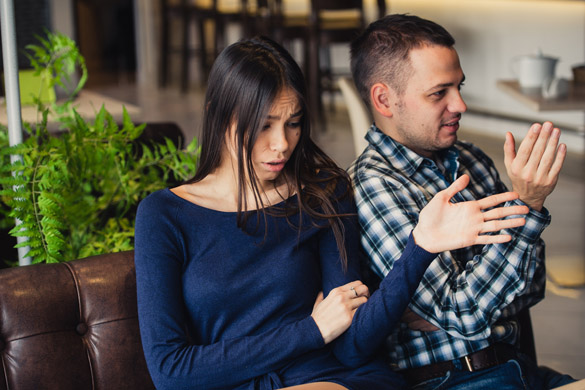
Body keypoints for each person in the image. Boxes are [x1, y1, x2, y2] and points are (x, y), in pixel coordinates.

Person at [134, 36, 528, 390]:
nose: (282, 145)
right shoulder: (164, 216)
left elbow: (352, 348)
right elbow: (171, 371)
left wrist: (421, 247)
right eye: (264, 125)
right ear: (219, 115)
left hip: (341, 379)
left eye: (293, 124)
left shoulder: (323, 193)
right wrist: (311, 330)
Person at [348, 13, 576, 390]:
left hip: (517, 366)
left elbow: (532, 286)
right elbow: (467, 312)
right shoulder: (373, 186)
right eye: (439, 93)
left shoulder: (470, 159)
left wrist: (462, 304)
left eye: (459, 87)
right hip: (455, 379)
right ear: (384, 99)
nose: (460, 105)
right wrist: (528, 206)